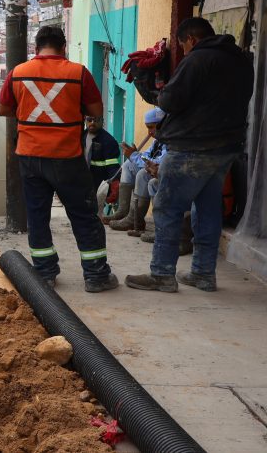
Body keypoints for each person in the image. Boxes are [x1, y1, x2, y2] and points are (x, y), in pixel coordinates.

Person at [126, 18, 254, 293]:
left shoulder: (197, 60)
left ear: (191, 40)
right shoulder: (241, 61)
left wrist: (158, 92)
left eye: (183, 46)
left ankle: (162, 274)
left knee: (167, 207)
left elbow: (170, 101)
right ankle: (203, 274)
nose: (184, 51)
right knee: (207, 210)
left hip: (192, 147)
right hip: (226, 148)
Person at [0, 26, 118, 292]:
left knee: (37, 215)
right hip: (67, 157)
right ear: (63, 47)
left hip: (30, 156)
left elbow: (3, 109)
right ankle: (96, 276)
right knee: (83, 214)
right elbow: (95, 112)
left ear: (36, 47)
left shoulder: (18, 73)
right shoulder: (77, 73)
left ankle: (45, 274)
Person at [108, 108, 167, 237]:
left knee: (142, 175)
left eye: (152, 127)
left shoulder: (170, 141)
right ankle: (124, 212)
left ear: (162, 124)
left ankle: (136, 220)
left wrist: (135, 156)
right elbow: (146, 156)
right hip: (157, 172)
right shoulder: (157, 141)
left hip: (167, 175)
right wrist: (135, 156)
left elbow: (159, 164)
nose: (150, 132)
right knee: (128, 165)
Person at [83, 116, 120, 197]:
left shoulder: (109, 141)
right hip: (81, 182)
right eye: (89, 120)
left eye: (96, 120)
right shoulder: (80, 137)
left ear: (102, 121)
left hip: (98, 185)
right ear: (85, 121)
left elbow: (112, 167)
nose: (92, 122)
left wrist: (114, 185)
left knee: (95, 209)